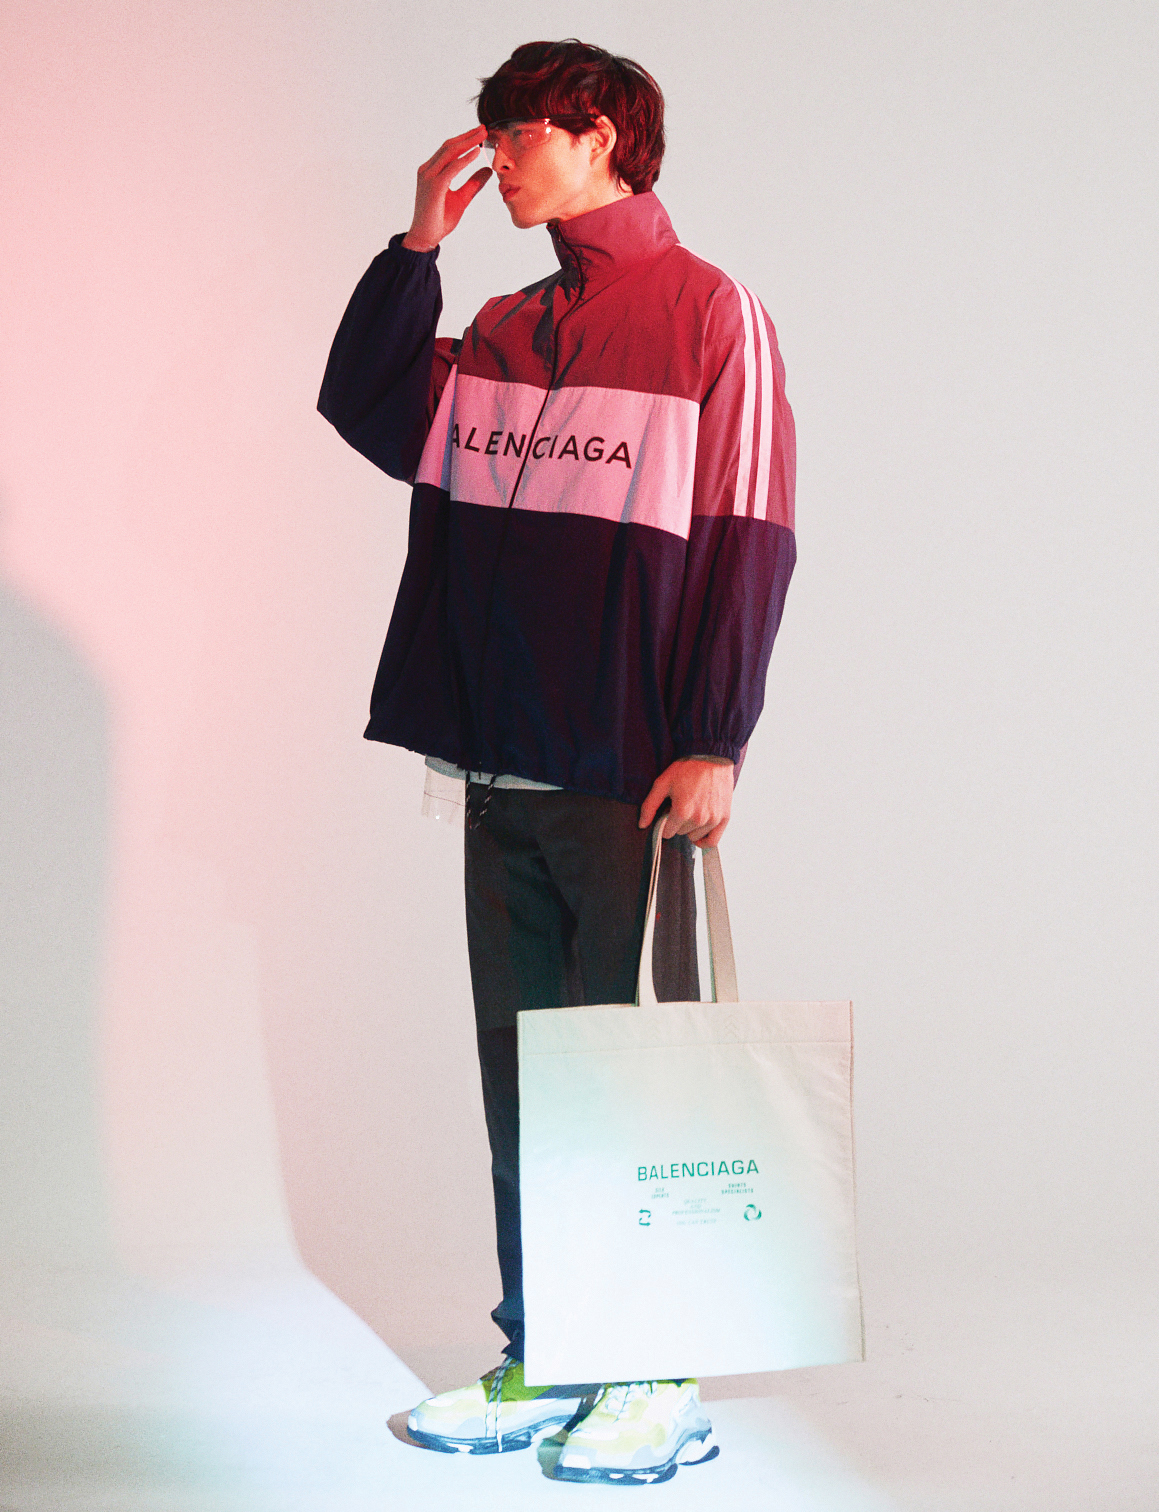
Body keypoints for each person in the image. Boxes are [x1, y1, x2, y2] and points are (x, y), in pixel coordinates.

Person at [317, 38, 795, 1487]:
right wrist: (417, 246)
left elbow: (749, 535)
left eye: (518, 133)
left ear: (598, 135)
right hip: (500, 762)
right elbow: (368, 407)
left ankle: (656, 1374)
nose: (500, 158)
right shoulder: (506, 326)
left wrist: (713, 735)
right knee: (526, 1078)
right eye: (495, 134)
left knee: (627, 1078)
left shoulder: (711, 312)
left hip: (630, 771)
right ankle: (554, 1350)